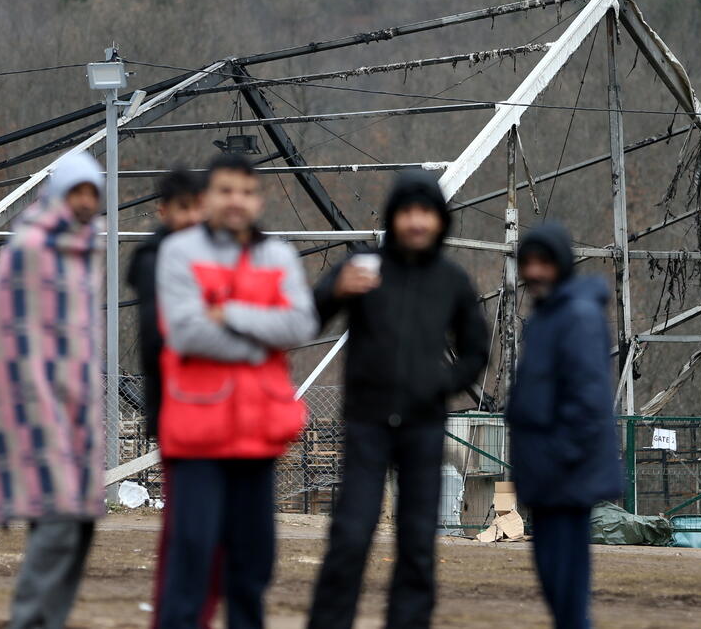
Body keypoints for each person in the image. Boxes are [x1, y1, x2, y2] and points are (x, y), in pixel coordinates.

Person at [307, 170, 489, 629]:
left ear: (439, 220)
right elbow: (310, 317)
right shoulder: (364, 267)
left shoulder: (451, 280)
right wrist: (335, 289)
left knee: (417, 543)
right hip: (366, 422)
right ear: (394, 217)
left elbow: (476, 351)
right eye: (407, 212)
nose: (416, 223)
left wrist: (439, 383)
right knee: (350, 534)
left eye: (425, 213)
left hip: (423, 427)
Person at [0, 151, 107, 629]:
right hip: (35, 410)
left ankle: (44, 620)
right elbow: (12, 337)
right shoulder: (33, 248)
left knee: (78, 526)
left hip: (73, 413)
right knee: (59, 523)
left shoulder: (82, 251)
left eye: (92, 193)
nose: (83, 202)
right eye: (76, 191)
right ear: (59, 194)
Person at [154, 153, 318, 629]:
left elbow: (301, 323)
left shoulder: (279, 255)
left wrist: (231, 315)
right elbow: (186, 332)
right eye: (225, 191)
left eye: (246, 192)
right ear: (207, 199)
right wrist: (258, 347)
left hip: (257, 435)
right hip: (197, 435)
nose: (236, 202)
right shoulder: (180, 253)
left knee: (253, 568)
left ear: (258, 200)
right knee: (193, 559)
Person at [505, 222, 623, 629]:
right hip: (546, 473)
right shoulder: (547, 317)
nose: (534, 272)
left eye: (544, 263)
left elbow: (588, 399)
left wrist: (560, 457)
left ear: (562, 265)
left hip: (564, 475)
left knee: (565, 581)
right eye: (528, 263)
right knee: (554, 579)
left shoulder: (577, 316)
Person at [124, 169, 218, 629]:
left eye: (196, 207)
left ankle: (193, 614)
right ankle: (175, 617)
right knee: (186, 529)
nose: (191, 217)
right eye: (182, 208)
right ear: (164, 211)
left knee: (212, 531)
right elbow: (161, 341)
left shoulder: (215, 254)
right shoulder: (154, 260)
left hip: (217, 410)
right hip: (178, 411)